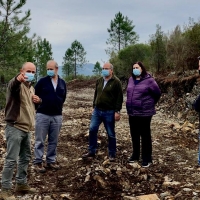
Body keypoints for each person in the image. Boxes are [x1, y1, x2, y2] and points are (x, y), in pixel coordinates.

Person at [0, 62, 40, 200]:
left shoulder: (31, 89)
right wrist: (18, 79)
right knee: (11, 160)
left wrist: (38, 101)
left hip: (27, 129)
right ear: (21, 71)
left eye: (33, 72)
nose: (31, 74)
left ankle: (21, 184)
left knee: (25, 157)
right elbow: (13, 84)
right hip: (15, 128)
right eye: (28, 71)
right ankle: (5, 190)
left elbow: (29, 108)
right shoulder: (15, 86)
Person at [82, 62, 123, 161]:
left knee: (110, 133)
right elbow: (96, 94)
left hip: (109, 111)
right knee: (92, 129)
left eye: (106, 68)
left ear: (111, 70)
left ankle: (112, 153)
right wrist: (94, 105)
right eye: (103, 68)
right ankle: (92, 151)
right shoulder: (99, 80)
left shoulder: (116, 82)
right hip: (97, 110)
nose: (104, 70)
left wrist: (117, 111)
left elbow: (119, 98)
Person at [33, 60, 67, 173]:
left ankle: (50, 160)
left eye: (51, 69)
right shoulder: (42, 82)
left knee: (53, 140)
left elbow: (63, 97)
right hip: (42, 115)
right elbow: (34, 95)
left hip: (57, 116)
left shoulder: (62, 83)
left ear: (57, 69)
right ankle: (38, 162)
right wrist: (36, 108)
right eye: (47, 69)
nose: (49, 71)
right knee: (40, 140)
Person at [126, 61, 161, 168]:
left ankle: (147, 158)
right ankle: (135, 155)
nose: (135, 69)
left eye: (137, 67)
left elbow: (158, 93)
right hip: (132, 112)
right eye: (133, 68)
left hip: (145, 113)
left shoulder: (149, 81)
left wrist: (149, 104)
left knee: (145, 135)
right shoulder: (131, 80)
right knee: (134, 134)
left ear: (142, 68)